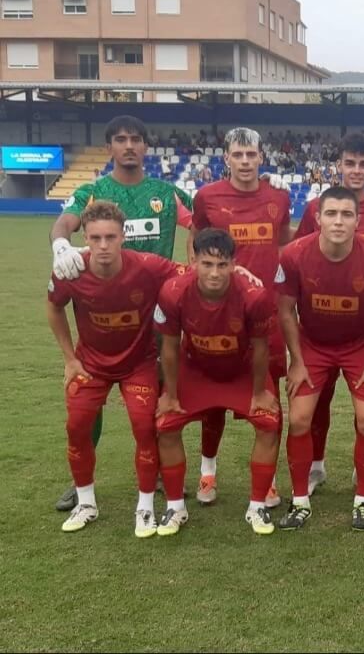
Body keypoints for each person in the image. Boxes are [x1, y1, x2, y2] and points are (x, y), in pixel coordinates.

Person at [49, 115, 193, 512]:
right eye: (120, 139)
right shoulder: (93, 192)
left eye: (135, 139)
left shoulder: (166, 192)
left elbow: (204, 220)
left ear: (146, 146)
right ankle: (81, 480)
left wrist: (195, 258)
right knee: (87, 403)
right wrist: (61, 245)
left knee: (160, 400)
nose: (129, 145)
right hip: (104, 314)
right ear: (110, 146)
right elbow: (64, 223)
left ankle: (162, 472)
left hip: (156, 319)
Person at [46, 201, 185, 537]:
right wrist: (69, 359)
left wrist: (238, 272)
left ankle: (145, 507)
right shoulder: (70, 269)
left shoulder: (148, 266)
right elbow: (53, 308)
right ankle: (86, 503)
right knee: (77, 427)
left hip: (138, 364)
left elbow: (193, 274)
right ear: (85, 239)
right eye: (95, 238)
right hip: (90, 365)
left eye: (110, 237)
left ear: (123, 237)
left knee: (144, 427)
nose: (103, 245)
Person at [294, 133, 364, 497]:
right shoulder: (316, 208)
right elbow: (300, 253)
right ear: (339, 165)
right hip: (317, 327)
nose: (356, 170)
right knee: (317, 403)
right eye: (350, 163)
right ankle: (316, 466)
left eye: (363, 164)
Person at [277, 187, 364, 530]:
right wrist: (297, 360)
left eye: (347, 214)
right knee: (299, 419)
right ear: (317, 218)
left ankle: (362, 499)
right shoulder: (294, 255)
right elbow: (285, 310)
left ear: (358, 220)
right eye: (331, 213)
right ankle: (300, 501)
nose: (339, 221)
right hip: (312, 345)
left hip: (360, 345)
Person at [153, 228, 281, 537]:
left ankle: (257, 506)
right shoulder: (173, 291)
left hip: (241, 369)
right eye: (207, 264)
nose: (214, 273)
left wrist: (259, 392)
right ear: (193, 261)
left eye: (222, 265)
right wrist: (170, 394)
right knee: (165, 424)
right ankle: (175, 507)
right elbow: (169, 346)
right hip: (196, 368)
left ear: (234, 264)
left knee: (269, 422)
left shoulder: (254, 295)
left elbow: (261, 348)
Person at [190, 127, 292, 507]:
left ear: (261, 157)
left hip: (267, 313)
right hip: (219, 312)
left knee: (269, 395)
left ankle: (268, 480)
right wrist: (198, 286)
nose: (246, 161)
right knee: (213, 398)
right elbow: (196, 242)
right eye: (238, 154)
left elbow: (285, 242)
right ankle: (207, 472)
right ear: (226, 158)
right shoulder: (207, 197)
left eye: (252, 154)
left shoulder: (279, 196)